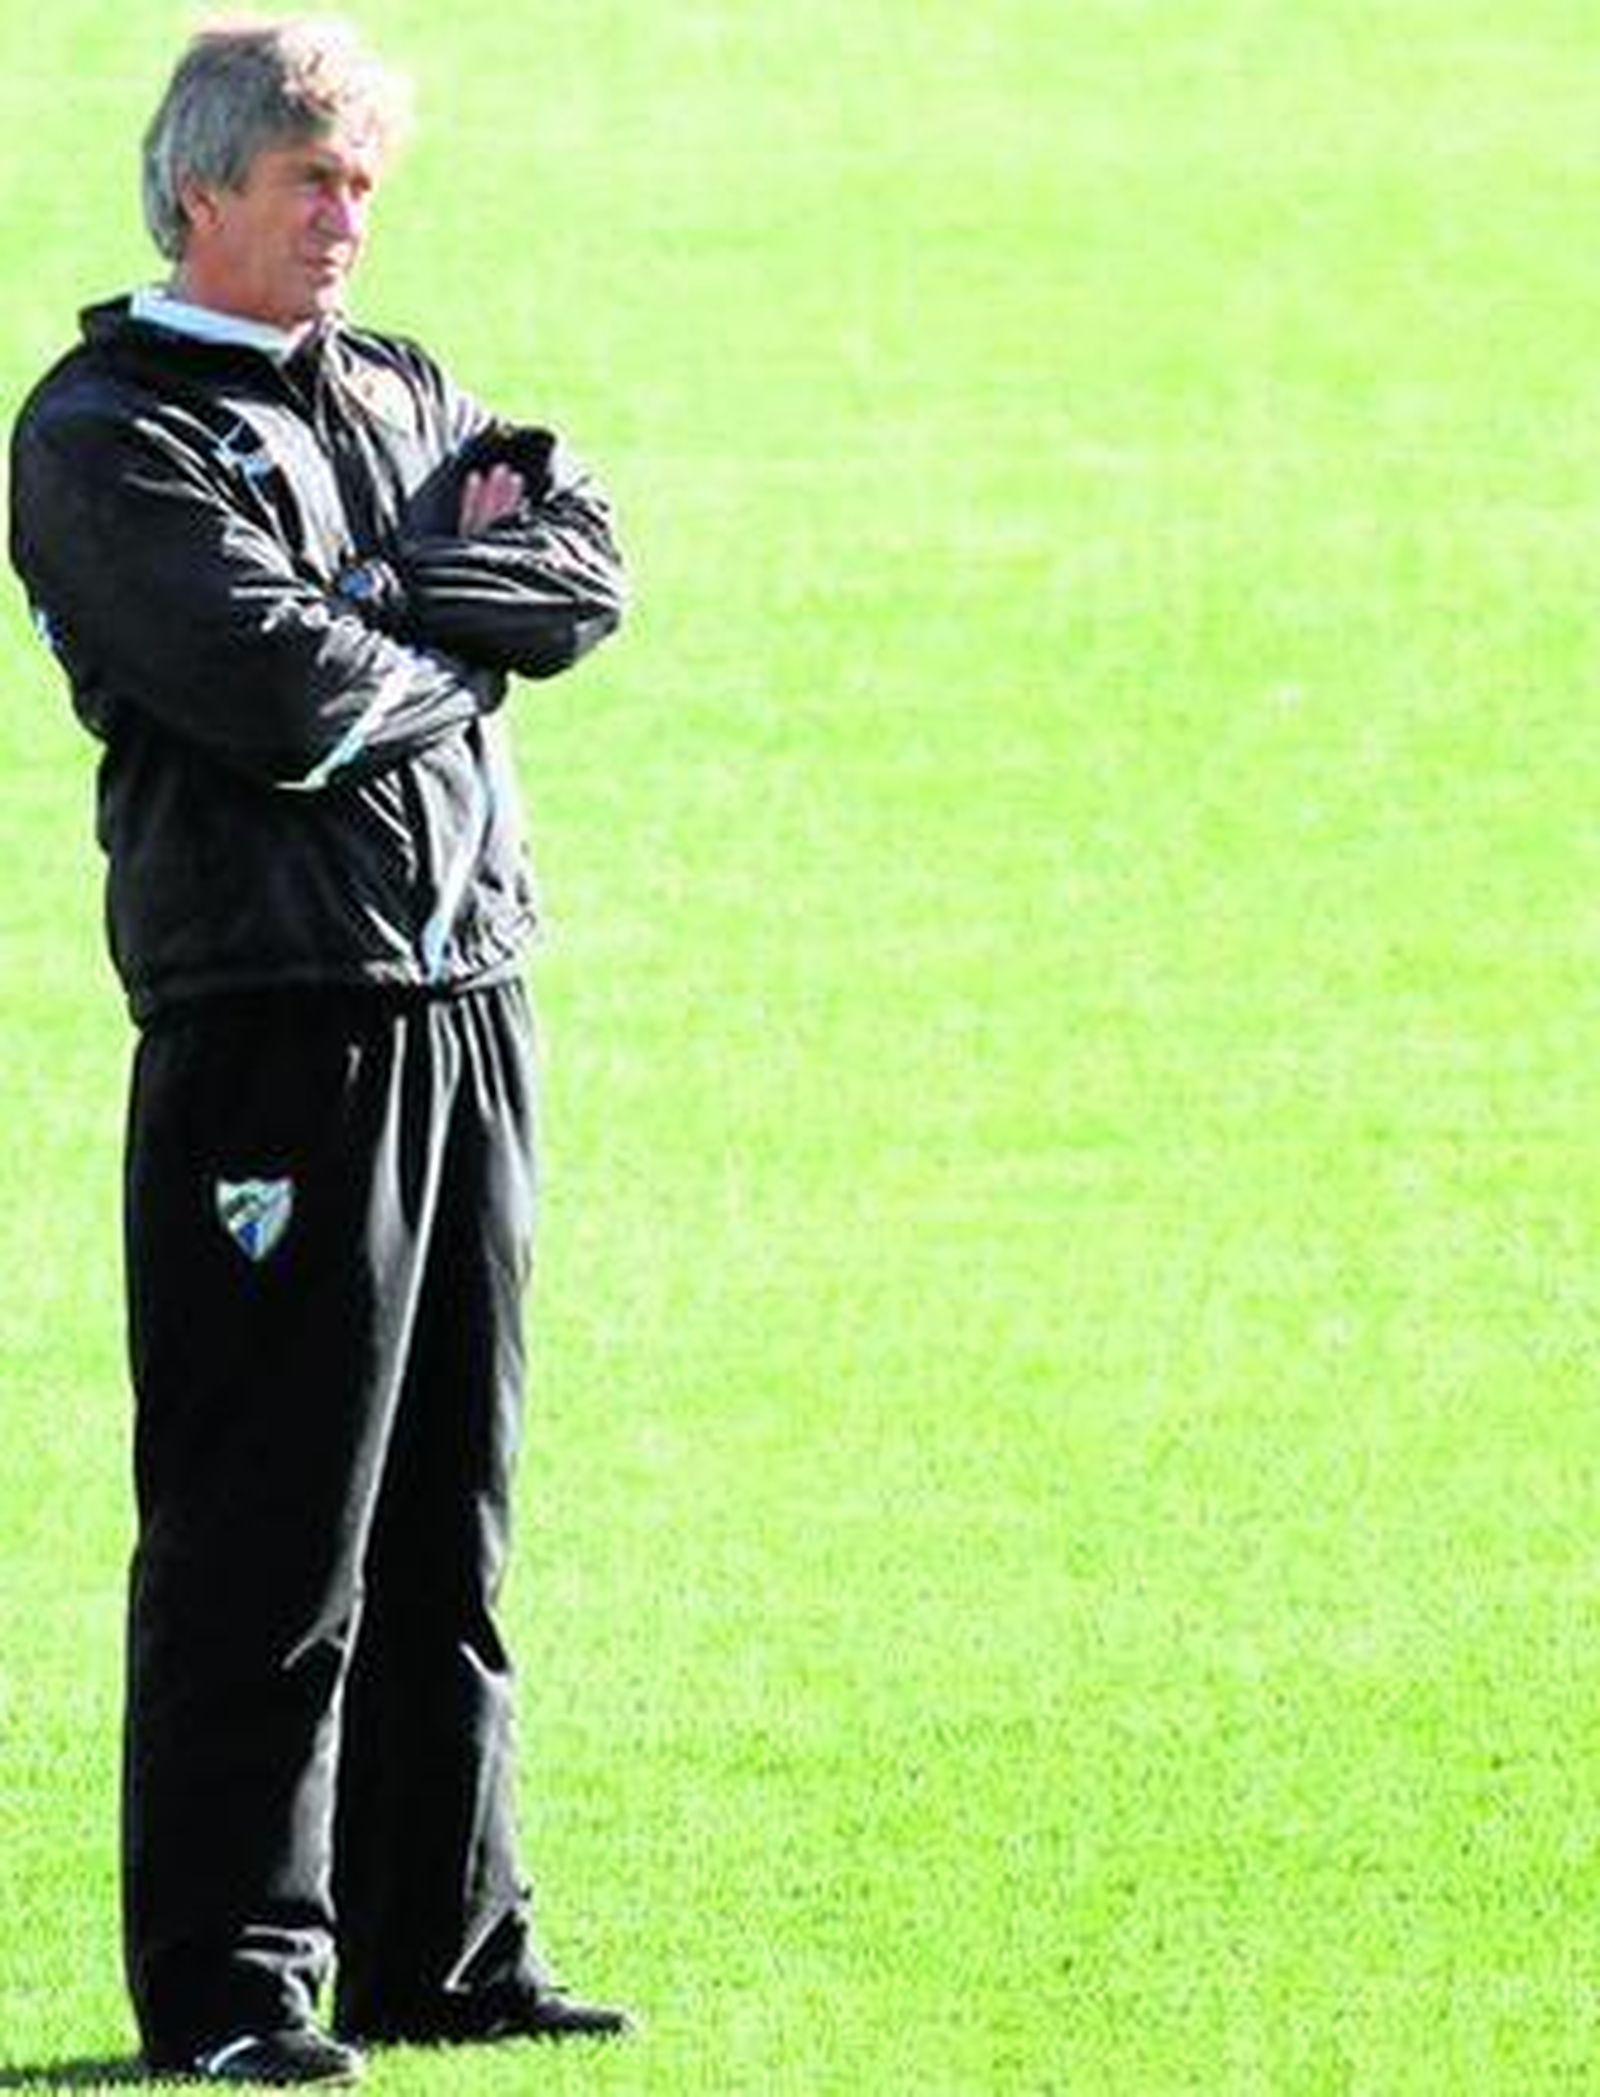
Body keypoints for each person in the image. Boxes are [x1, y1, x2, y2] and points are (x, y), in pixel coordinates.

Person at [9, 18, 633, 2087]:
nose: (347, 219)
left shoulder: (398, 385)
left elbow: (577, 568)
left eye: (362, 182)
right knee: (264, 1517)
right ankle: (229, 1987)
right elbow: (273, 692)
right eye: (309, 183)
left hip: (470, 989)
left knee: (448, 1494)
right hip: (274, 1026)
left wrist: (398, 601)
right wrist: (436, 625)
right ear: (200, 192)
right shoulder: (105, 432)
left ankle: (439, 1947)